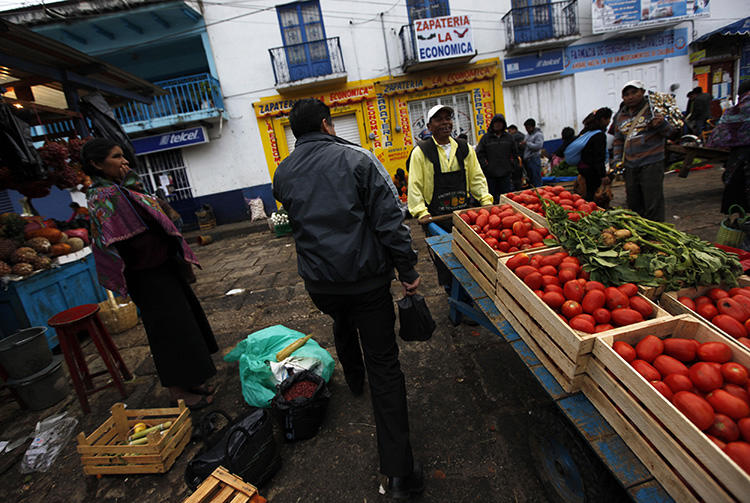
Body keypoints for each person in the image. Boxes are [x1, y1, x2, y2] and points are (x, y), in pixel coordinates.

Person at [272, 99, 424, 501]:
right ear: (327, 124)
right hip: (366, 282)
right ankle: (399, 475)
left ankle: (354, 380)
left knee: (341, 322)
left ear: (295, 132)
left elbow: (295, 222)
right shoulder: (357, 159)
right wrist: (407, 271)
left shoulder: (282, 171)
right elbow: (391, 220)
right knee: (385, 367)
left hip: (321, 284)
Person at [82, 138, 217, 410]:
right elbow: (127, 233)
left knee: (184, 326)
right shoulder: (103, 197)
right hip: (145, 274)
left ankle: (192, 379)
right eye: (116, 157)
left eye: (123, 156)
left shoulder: (120, 189)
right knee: (166, 332)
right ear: (97, 164)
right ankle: (178, 392)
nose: (124, 162)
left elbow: (149, 208)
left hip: (162, 268)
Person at [612, 80, 674, 221]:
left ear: (642, 92)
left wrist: (661, 124)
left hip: (651, 162)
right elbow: (618, 140)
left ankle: (657, 234)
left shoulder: (654, 110)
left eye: (634, 92)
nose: (630, 97)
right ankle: (640, 234)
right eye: (626, 94)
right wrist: (616, 160)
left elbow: (672, 133)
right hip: (630, 165)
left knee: (653, 202)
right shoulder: (620, 116)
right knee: (633, 203)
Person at [707, 80, 750, 213]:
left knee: (740, 208)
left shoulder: (734, 112)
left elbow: (717, 138)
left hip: (740, 163)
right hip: (741, 164)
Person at [475, 114, 520, 201]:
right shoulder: (485, 138)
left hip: (505, 174)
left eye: (500, 123)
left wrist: (512, 166)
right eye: (496, 123)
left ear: (504, 125)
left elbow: (515, 153)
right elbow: (479, 154)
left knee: (506, 198)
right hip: (491, 174)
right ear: (492, 124)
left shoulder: (509, 138)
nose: (498, 125)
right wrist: (485, 166)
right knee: (492, 198)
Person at [577, 108, 613, 201]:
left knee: (586, 193)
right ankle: (592, 211)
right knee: (592, 195)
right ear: (603, 119)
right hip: (592, 170)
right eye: (609, 119)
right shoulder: (599, 135)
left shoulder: (585, 132)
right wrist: (603, 175)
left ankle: (586, 208)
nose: (609, 121)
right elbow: (599, 157)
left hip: (582, 167)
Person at [521, 118, 544, 187]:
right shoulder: (527, 135)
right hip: (528, 160)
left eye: (528, 128)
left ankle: (539, 192)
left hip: (534, 159)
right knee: (531, 179)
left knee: (536, 178)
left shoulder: (538, 135)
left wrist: (527, 143)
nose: (526, 129)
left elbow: (538, 146)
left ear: (533, 127)